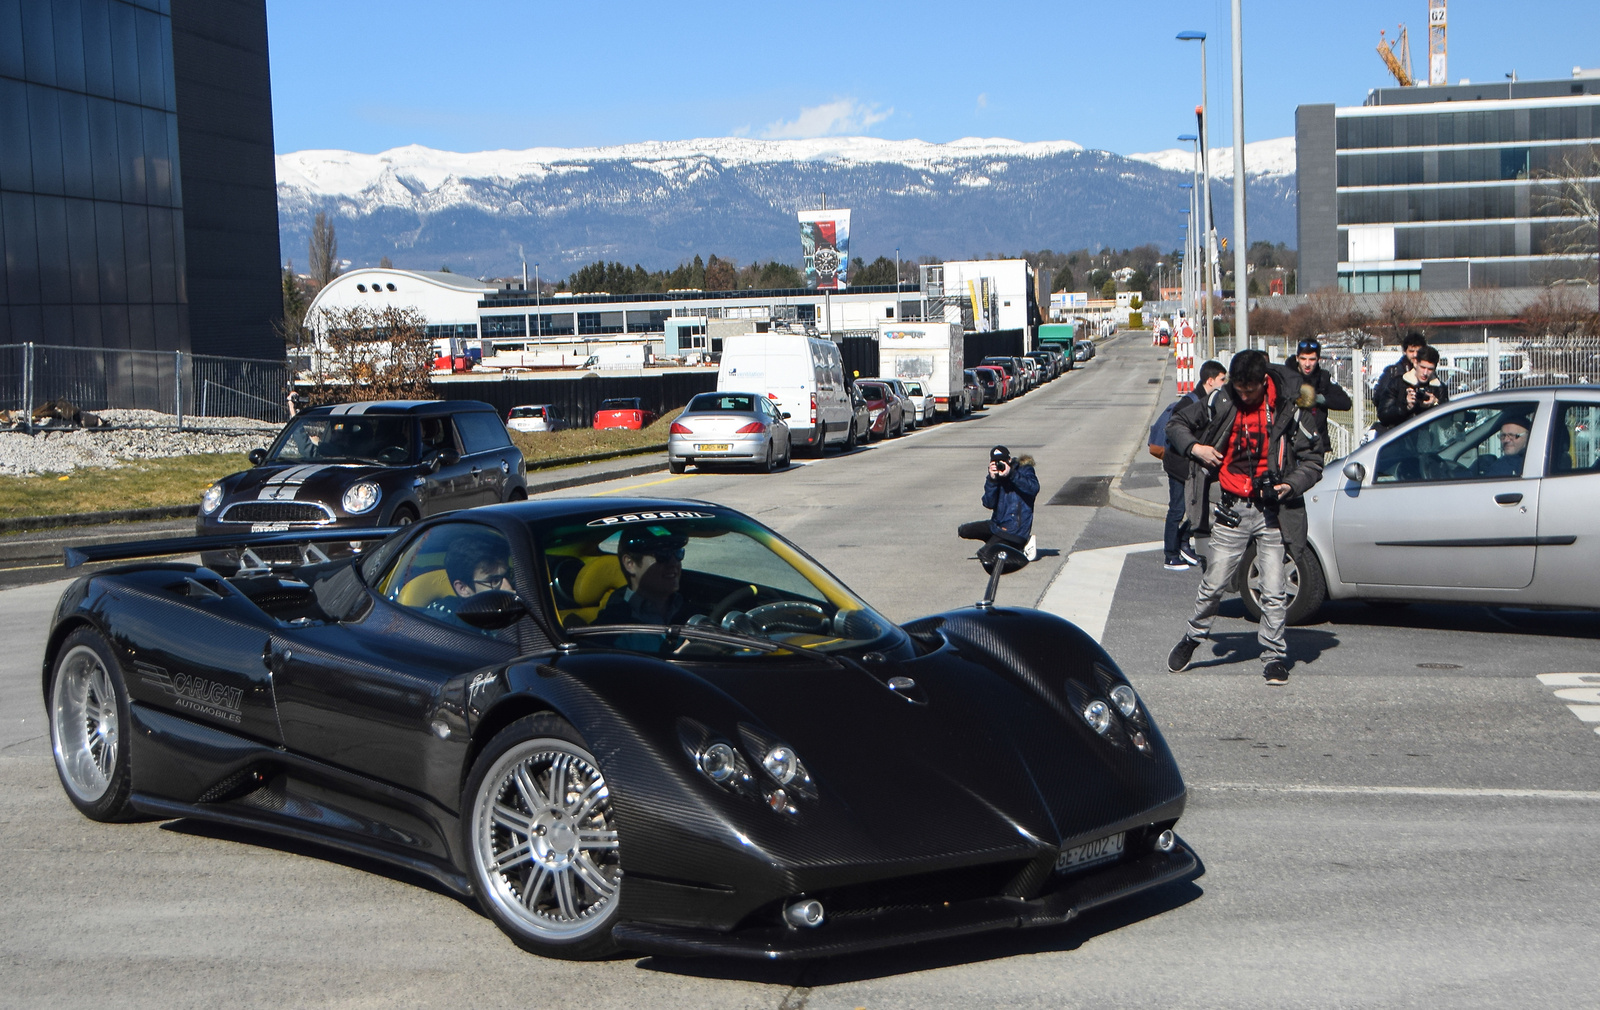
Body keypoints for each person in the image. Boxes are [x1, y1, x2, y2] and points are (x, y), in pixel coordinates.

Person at [1164, 350, 1325, 686]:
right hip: (1231, 507)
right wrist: (1197, 449)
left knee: (1274, 587)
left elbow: (1314, 460)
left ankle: (1274, 656)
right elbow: (1176, 424)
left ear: (1263, 381)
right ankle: (1193, 637)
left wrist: (1289, 485)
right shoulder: (1221, 400)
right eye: (1239, 389)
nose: (1245, 396)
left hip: (1273, 510)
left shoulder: (1290, 406)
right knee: (1215, 583)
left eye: (1251, 390)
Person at [1149, 360, 1227, 570]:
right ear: (1210, 381)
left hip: (1194, 466)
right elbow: (1175, 431)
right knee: (1177, 509)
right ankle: (1171, 554)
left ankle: (1183, 543)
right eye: (1222, 379)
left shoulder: (1211, 400)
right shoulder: (1191, 403)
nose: (1224, 383)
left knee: (1199, 507)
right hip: (1179, 465)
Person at [958, 446, 1039, 563]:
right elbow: (988, 503)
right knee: (963, 530)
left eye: (1002, 462)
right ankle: (997, 542)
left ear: (1009, 460)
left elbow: (1033, 488)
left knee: (985, 555)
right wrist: (992, 480)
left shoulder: (1024, 470)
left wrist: (1011, 474)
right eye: (995, 462)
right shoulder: (996, 478)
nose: (999, 466)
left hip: (1015, 530)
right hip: (997, 525)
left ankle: (1019, 546)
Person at [596, 526, 692, 625]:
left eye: (678, 553)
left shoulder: (690, 609)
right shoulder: (611, 627)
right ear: (630, 564)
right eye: (662, 555)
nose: (674, 562)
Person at [425, 534, 514, 624]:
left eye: (508, 575)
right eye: (494, 581)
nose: (508, 588)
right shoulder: (445, 620)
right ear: (463, 588)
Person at [1375, 344, 1449, 433]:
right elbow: (1383, 415)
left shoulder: (1439, 388)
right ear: (1415, 363)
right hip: (1400, 438)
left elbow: (1447, 423)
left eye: (1430, 369)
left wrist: (1436, 403)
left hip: (1429, 441)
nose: (1425, 373)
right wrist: (1405, 406)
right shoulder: (1398, 383)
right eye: (1422, 367)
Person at [1294, 338, 1352, 413]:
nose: (1307, 364)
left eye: (1312, 359)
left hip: (1317, 423)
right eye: (1303, 359)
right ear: (1297, 358)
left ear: (1318, 359)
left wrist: (1317, 398)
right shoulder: (1287, 376)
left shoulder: (1323, 377)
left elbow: (1345, 402)